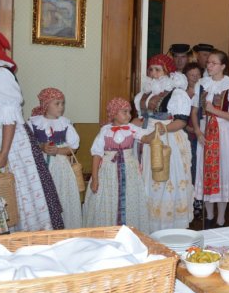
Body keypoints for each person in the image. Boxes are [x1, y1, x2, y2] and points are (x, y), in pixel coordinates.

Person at [0, 26, 63, 231]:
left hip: (8, 140)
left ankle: (26, 237)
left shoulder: (0, 74)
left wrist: (4, 152)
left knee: (16, 188)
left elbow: (9, 117)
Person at [134, 53, 195, 232]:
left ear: (168, 72)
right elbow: (141, 119)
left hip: (169, 139)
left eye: (158, 70)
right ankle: (150, 225)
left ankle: (169, 225)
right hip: (147, 139)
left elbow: (181, 121)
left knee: (167, 178)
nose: (154, 74)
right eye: (151, 69)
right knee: (148, 179)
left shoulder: (177, 94)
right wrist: (121, 126)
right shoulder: (144, 95)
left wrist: (162, 130)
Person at [191, 50, 229, 228]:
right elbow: (194, 112)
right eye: (208, 63)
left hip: (224, 133)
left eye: (214, 63)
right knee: (205, 171)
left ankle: (221, 216)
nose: (209, 65)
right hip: (206, 131)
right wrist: (198, 131)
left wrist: (214, 111)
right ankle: (210, 214)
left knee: (222, 172)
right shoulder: (202, 85)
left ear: (223, 66)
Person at [84, 98, 154, 229]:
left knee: (129, 198)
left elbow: (145, 138)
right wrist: (95, 178)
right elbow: (97, 154)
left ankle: (129, 230)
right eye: (125, 112)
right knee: (109, 200)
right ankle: (109, 229)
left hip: (129, 170)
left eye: (129, 112)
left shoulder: (132, 128)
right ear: (114, 114)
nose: (129, 115)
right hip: (108, 171)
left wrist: (156, 132)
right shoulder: (105, 131)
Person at [29, 88, 82, 229]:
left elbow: (73, 148)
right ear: (46, 105)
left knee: (61, 194)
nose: (61, 107)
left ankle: (64, 226)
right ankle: (45, 227)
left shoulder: (65, 124)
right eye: (57, 104)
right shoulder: (33, 123)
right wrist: (41, 147)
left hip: (60, 166)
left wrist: (58, 150)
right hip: (40, 166)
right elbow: (29, 145)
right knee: (42, 196)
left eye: (62, 103)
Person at [183, 62, 204, 218]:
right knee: (188, 168)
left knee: (199, 167)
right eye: (192, 75)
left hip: (200, 134)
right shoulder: (180, 93)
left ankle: (198, 201)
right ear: (186, 76)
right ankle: (187, 201)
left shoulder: (204, 91)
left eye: (198, 74)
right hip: (185, 134)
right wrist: (189, 129)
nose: (195, 78)